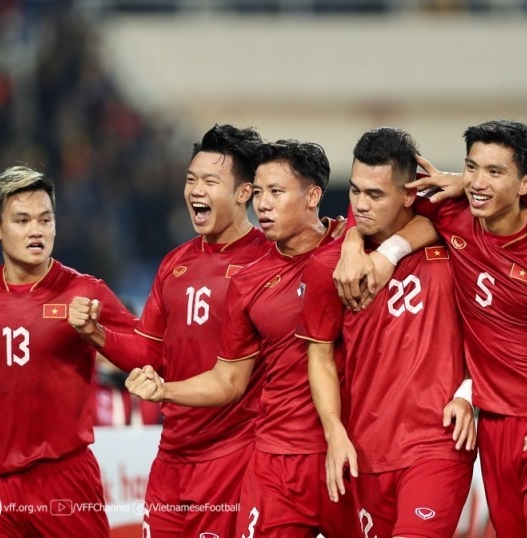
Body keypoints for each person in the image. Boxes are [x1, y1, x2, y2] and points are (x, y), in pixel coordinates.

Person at [337, 120, 527, 538]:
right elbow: (375, 200)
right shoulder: (452, 214)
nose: (477, 183)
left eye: (494, 172)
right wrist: (372, 248)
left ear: (526, 183)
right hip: (495, 427)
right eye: (471, 167)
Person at [125, 139, 360, 537]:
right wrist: (165, 389)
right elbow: (228, 380)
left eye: (276, 192)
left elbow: (427, 215)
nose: (262, 204)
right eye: (260, 192)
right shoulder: (248, 278)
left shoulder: (352, 246)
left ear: (313, 196)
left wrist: (359, 242)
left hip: (352, 450)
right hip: (275, 459)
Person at [69, 124, 270, 537]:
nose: (196, 190)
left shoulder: (268, 260)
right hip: (172, 454)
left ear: (243, 192)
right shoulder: (174, 263)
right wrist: (97, 334)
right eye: (191, 179)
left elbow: (234, 380)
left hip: (233, 456)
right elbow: (147, 353)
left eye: (210, 181)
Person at [0, 165, 138, 537]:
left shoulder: (85, 291)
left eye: (45, 219)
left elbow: (145, 354)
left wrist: (96, 335)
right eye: (22, 220)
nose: (37, 230)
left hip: (64, 479)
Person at [298, 127, 476, 538]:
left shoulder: (456, 244)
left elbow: (490, 332)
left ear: (410, 194)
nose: (361, 205)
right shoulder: (331, 267)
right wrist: (334, 429)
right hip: (368, 450)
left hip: (437, 443)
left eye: (375, 195)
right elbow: (320, 355)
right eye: (356, 191)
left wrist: (468, 394)